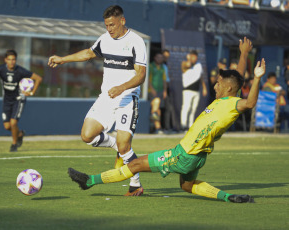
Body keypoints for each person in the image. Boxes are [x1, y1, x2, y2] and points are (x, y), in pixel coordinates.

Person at [68, 37, 264, 203]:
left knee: (135, 165)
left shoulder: (233, 104)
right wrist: (244, 54)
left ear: (228, 89)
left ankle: (89, 181)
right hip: (197, 158)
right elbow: (236, 80)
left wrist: (256, 79)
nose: (215, 85)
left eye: (219, 83)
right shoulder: (227, 99)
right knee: (187, 186)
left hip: (183, 155)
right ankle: (229, 197)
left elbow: (250, 103)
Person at [48, 5, 147, 196]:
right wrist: (62, 59)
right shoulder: (105, 39)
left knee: (125, 144)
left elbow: (141, 75)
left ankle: (136, 184)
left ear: (122, 21)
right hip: (106, 98)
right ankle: (115, 146)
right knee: (87, 136)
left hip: (127, 97)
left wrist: (121, 87)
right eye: (106, 25)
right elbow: (87, 53)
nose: (109, 29)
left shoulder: (136, 42)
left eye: (112, 25)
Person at [0, 49, 42, 152]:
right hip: (6, 100)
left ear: (16, 60)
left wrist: (31, 92)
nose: (11, 62)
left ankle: (14, 145)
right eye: (9, 59)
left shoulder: (20, 71)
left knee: (13, 123)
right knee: (7, 126)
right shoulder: (0, 70)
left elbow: (38, 78)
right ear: (5, 60)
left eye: (13, 59)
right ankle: (19, 134)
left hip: (18, 100)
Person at [180, 50, 208, 130]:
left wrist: (204, 88)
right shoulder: (184, 63)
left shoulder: (198, 65)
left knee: (193, 108)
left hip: (196, 90)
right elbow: (187, 65)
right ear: (189, 56)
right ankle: (183, 125)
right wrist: (189, 59)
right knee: (186, 107)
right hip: (187, 90)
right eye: (192, 56)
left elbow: (201, 77)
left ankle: (190, 125)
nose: (194, 58)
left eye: (195, 57)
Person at [148, 52, 167, 134]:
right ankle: (157, 126)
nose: (160, 59)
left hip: (160, 91)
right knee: (156, 104)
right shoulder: (151, 66)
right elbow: (147, 79)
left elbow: (164, 79)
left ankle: (154, 126)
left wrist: (165, 90)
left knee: (158, 109)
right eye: (158, 57)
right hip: (151, 91)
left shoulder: (163, 67)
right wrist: (152, 89)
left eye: (161, 57)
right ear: (155, 58)